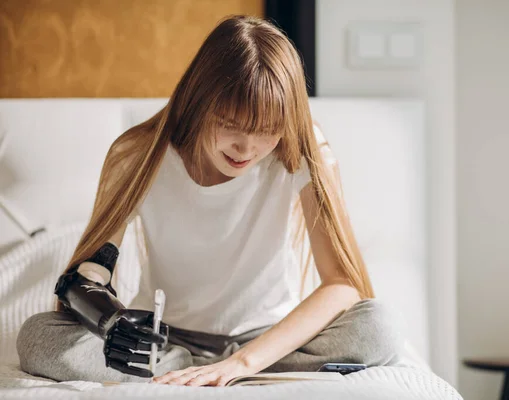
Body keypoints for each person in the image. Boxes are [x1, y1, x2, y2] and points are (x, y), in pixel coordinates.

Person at [16, 15, 414, 387]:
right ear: (200, 100)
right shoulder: (139, 156)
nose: (248, 148)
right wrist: (111, 322)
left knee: (379, 326)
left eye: (268, 131)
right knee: (38, 338)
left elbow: (342, 284)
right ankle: (192, 369)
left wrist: (242, 362)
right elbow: (87, 276)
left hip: (270, 341)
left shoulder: (302, 151)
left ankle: (224, 371)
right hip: (165, 340)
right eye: (230, 126)